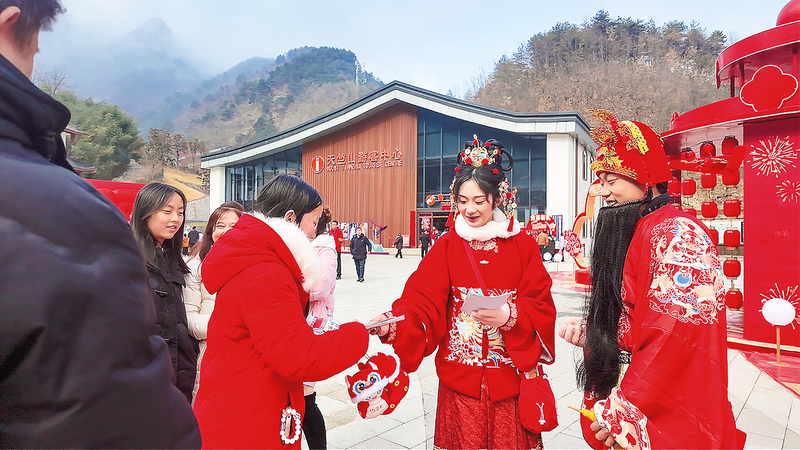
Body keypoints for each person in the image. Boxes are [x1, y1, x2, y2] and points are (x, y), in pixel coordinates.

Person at [0, 2, 200, 447]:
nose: (176, 219)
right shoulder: (71, 216)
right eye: (34, 49)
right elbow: (112, 415)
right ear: (10, 23)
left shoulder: (180, 261)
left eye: (180, 212)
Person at [558, 110, 744, 449]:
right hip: (637, 385)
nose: (603, 193)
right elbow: (639, 317)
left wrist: (625, 410)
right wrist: (596, 333)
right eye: (601, 182)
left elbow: (673, 335)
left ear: (646, 178)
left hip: (667, 403)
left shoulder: (678, 235)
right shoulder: (643, 228)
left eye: (612, 181)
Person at [369, 138, 556, 449]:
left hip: (509, 380)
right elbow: (421, 298)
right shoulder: (447, 245)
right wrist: (395, 322)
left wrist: (510, 316)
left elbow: (541, 302)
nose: (470, 209)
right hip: (460, 383)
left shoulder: (522, 245)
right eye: (462, 200)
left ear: (497, 199)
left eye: (479, 201)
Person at [193, 174, 369, 449]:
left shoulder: (254, 260)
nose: (314, 232)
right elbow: (301, 357)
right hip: (250, 417)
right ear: (290, 218)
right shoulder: (267, 274)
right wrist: (358, 334)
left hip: (240, 401)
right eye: (313, 222)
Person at [131, 183, 198, 404]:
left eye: (180, 212)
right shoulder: (128, 259)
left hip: (178, 371)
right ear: (145, 212)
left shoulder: (171, 259)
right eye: (167, 211)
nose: (175, 219)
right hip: (145, 376)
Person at [184, 201, 244, 403]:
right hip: (210, 355)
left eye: (234, 226)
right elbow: (188, 318)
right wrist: (225, 326)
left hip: (246, 357)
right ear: (210, 231)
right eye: (220, 225)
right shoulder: (195, 268)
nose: (226, 231)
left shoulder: (255, 266)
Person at [304, 206, 336, 450]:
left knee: (306, 398)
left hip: (312, 325)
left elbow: (321, 288)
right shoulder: (305, 246)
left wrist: (287, 287)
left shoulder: (324, 248)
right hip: (295, 322)